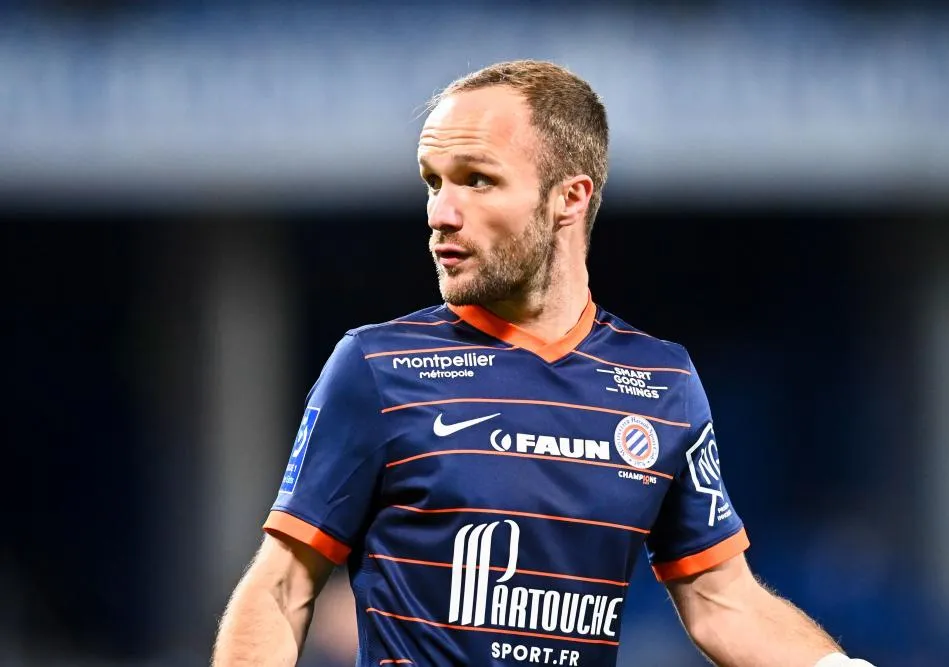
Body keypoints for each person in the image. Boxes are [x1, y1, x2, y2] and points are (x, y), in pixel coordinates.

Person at [212, 60, 874, 667]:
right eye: (434, 182)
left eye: (477, 180)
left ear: (570, 197)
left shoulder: (661, 384)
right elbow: (282, 587)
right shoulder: (378, 367)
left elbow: (722, 599)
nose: (441, 213)